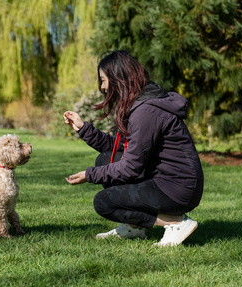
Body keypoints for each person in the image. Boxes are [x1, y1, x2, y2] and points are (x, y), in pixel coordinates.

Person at [64, 50, 204, 246]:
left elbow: (130, 167)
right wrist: (83, 129)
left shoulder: (146, 111)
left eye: (104, 80)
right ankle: (133, 227)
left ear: (118, 79)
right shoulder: (142, 104)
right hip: (167, 180)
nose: (103, 87)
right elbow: (120, 148)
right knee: (105, 159)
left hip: (177, 187)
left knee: (104, 202)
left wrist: (90, 175)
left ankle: (175, 222)